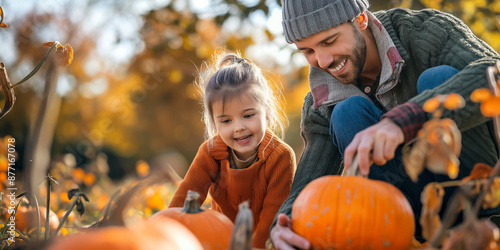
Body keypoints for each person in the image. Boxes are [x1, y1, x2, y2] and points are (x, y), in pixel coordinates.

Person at [270, 0, 500, 249]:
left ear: (360, 20)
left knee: (437, 80)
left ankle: (487, 223)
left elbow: (494, 72)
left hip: (484, 193)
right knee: (347, 112)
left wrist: (401, 122)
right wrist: (286, 222)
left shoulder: (425, 31)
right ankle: (405, 238)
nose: (322, 61)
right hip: (412, 221)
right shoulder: (321, 99)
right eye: (308, 51)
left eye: (329, 41)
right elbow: (311, 179)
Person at [168, 51, 296, 248]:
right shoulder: (210, 153)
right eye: (226, 120)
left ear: (267, 111)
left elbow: (272, 217)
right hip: (219, 239)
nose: (238, 127)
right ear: (214, 123)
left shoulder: (280, 157)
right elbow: (184, 199)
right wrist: (163, 232)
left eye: (248, 115)